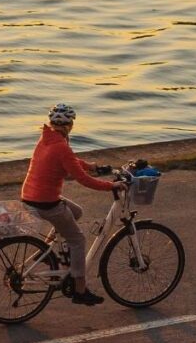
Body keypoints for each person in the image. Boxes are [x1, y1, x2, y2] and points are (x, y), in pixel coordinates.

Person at [20, 103, 126, 306]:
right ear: (70, 125)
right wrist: (112, 186)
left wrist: (92, 166)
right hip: (46, 202)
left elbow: (71, 161)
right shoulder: (61, 146)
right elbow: (84, 179)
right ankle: (80, 289)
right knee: (77, 240)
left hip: (31, 195)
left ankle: (47, 252)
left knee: (76, 212)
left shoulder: (46, 139)